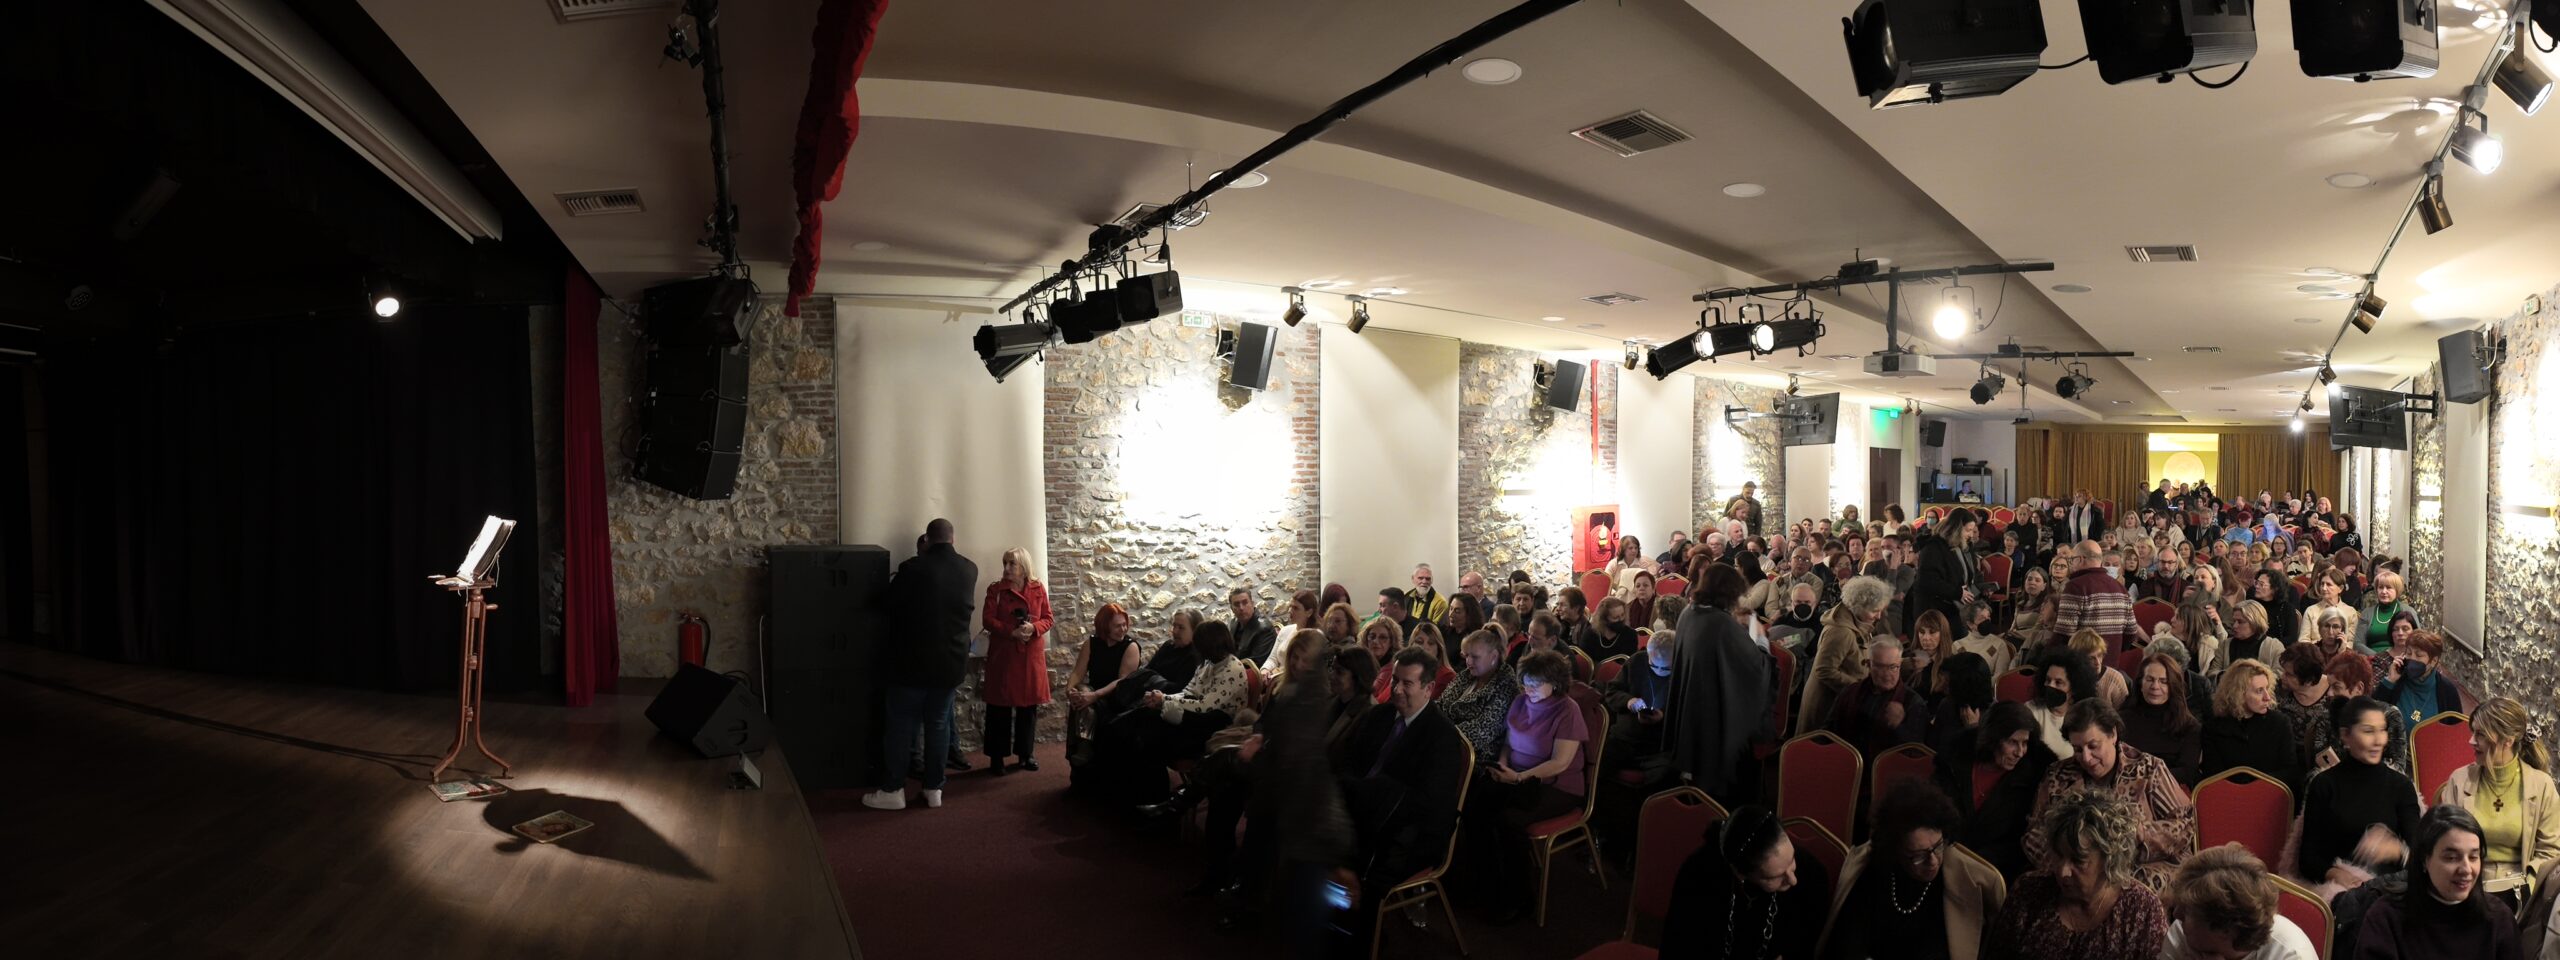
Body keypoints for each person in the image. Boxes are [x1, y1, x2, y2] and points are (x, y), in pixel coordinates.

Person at [1331, 647, 1469, 944]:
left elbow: (1427, 804)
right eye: (1395, 680)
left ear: (1429, 689)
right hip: (1366, 809)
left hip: (1408, 829)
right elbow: (1348, 761)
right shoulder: (1379, 715)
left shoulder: (1441, 737)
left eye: (1407, 683)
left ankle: (1356, 939)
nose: (1396, 689)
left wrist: (1367, 795)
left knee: (1362, 864)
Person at [1460, 650, 1590, 923]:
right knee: (1474, 803)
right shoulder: (1521, 701)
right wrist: (1502, 766)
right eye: (1526, 682)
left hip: (1557, 786)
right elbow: (1508, 743)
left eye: (1535, 684)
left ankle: (1518, 897)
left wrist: (1519, 778)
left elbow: (1560, 763)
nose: (1528, 689)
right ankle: (1481, 882)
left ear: (1555, 682)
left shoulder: (1568, 710)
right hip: (1515, 776)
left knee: (1508, 821)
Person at [1817, 780, 2008, 960]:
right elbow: (1847, 946)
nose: (1933, 861)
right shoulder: (1872, 873)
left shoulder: (1962, 881)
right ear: (1895, 851)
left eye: (1938, 846)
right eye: (1918, 855)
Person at [2023, 699, 2194, 892]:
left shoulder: (2149, 769)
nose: (2086, 758)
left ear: (2113, 734)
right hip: (2076, 872)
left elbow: (2186, 824)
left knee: (2130, 889)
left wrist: (2141, 835)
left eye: (2093, 746)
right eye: (2077, 749)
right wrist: (2069, 862)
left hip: (2142, 870)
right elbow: (2034, 834)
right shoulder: (2057, 775)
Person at [866, 518, 978, 811]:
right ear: (952, 539)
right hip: (950, 664)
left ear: (926, 540)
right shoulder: (969, 569)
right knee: (939, 725)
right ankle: (933, 788)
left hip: (911, 665)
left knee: (900, 727)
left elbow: (886, 604)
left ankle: (893, 790)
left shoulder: (913, 568)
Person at [1982, 791, 2168, 959]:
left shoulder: (2142, 911)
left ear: (2110, 860)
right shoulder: (2029, 891)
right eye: (2059, 855)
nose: (2063, 872)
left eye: (2078, 861)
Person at [2345, 805, 2524, 960]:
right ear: (2425, 859)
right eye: (2451, 857)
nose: (2466, 869)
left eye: (2473, 857)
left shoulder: (2498, 918)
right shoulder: (2386, 917)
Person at [2435, 696, 2560, 912]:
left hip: (2522, 896)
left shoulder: (2541, 785)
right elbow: (2443, 840)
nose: (2471, 741)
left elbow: (2550, 851)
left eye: (2481, 735)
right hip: (2466, 888)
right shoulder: (2459, 780)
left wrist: (2528, 888)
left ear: (2507, 740)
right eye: (2473, 732)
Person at [1660, 805, 1831, 959]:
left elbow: (1805, 949)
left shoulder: (1811, 876)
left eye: (1792, 860)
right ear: (1740, 873)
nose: (1793, 880)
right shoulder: (1699, 872)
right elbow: (1676, 947)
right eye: (1774, 877)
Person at [1668, 563, 1772, 804]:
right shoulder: (1722, 624)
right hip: (1718, 715)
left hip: (1694, 707)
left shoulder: (1688, 613)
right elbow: (1756, 667)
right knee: (1727, 787)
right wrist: (1759, 637)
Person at [2300, 696, 2423, 889]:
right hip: (2338, 891)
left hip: (2390, 891)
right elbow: (2307, 858)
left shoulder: (2401, 786)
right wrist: (2334, 873)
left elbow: (2421, 858)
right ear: (2345, 735)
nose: (2378, 740)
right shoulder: (2324, 784)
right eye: (2368, 731)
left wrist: (2398, 850)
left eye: (2382, 730)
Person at [1936, 700, 2058, 881]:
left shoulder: (2032, 778)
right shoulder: (1954, 761)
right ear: (1992, 740)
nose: (2020, 752)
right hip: (1942, 860)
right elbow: (1933, 812)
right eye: (2012, 742)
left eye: (2025, 743)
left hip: (1993, 873)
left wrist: (1974, 865)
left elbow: (2018, 842)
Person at [2162, 845, 2322, 960]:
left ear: (2226, 929)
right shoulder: (2182, 933)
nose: (2176, 914)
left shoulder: (2290, 954)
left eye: (2188, 911)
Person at [979, 548, 1055, 775]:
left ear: (1024, 566)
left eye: (1012, 563)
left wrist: (1034, 627)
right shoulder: (996, 589)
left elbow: (1048, 618)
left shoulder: (1038, 588)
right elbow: (987, 619)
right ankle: (997, 758)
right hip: (1004, 656)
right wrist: (1010, 632)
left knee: (1028, 707)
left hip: (1030, 657)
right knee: (998, 708)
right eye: (1005, 563)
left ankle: (1025, 754)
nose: (1007, 568)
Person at [1802, 575, 1892, 736]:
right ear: (1858, 606)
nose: (1878, 616)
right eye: (1874, 611)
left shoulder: (1858, 623)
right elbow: (1824, 670)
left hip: (1841, 702)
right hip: (1827, 707)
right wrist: (1860, 690)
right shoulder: (1841, 631)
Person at [2199, 660, 2301, 801]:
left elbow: (2290, 772)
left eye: (2267, 688)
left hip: (2270, 799)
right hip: (2228, 800)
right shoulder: (2213, 729)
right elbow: (2213, 777)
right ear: (2238, 694)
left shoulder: (2280, 723)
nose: (2267, 697)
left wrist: (2255, 789)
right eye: (2259, 691)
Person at [1060, 602, 1142, 765]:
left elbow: (1122, 681)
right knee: (1079, 694)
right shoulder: (1091, 643)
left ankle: (1084, 747)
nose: (1123, 629)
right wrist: (1069, 690)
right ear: (1105, 627)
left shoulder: (1131, 646)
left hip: (1117, 697)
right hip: (1093, 692)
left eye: (1124, 624)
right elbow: (1078, 672)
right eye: (1117, 626)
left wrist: (1095, 695)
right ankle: (1082, 748)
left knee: (1086, 701)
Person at [1829, 638, 1931, 762]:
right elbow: (1829, 733)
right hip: (1845, 764)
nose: (1887, 674)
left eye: (1893, 667)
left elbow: (1917, 754)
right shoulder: (1850, 692)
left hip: (1888, 770)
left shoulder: (1912, 702)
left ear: (1900, 665)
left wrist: (1898, 726)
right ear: (1868, 664)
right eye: (1880, 667)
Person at [1601, 629, 1677, 790]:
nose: (1659, 671)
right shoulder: (1637, 661)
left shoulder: (1684, 671)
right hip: (1625, 738)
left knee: (1668, 774)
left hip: (1658, 746)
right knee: (1599, 764)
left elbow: (1688, 716)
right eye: (1654, 665)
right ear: (1648, 654)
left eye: (1666, 669)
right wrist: (1629, 701)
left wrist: (1663, 716)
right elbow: (1611, 692)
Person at [2120, 652, 2203, 786]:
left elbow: (2187, 772)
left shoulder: (2189, 727)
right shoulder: (2121, 720)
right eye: (2150, 679)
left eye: (2163, 681)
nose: (2155, 686)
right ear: (2140, 683)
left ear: (2173, 686)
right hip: (2124, 788)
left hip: (2168, 790)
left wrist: (2146, 779)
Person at [1441, 628, 1522, 759]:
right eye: (1467, 655)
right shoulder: (1468, 675)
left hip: (1476, 757)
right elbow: (1442, 703)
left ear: (1494, 656)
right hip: (1446, 743)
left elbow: (1481, 732)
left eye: (1475, 657)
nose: (1468, 661)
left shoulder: (1505, 685)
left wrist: (1439, 732)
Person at [2054, 542, 2140, 659]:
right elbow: (2131, 633)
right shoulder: (2120, 588)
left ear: (2080, 559)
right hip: (2112, 664)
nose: (2071, 564)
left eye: (2072, 559)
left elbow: (2063, 635)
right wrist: (2111, 652)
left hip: (2081, 663)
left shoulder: (2075, 587)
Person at [1908, 513, 1978, 639]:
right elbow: (1929, 580)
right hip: (1932, 608)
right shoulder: (1933, 546)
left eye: (1973, 531)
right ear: (1956, 529)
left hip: (1950, 605)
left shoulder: (1956, 545)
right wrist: (1958, 592)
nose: (1971, 535)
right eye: (1968, 530)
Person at [2376, 627, 2462, 725]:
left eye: (2419, 655)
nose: (2412, 659)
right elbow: (2373, 712)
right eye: (2409, 653)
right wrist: (2390, 680)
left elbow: (2457, 729)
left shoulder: (2447, 689)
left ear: (2433, 661)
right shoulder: (2397, 680)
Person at [2027, 646, 2100, 760]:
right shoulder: (2031, 710)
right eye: (2048, 680)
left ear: (2074, 689)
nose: (2050, 686)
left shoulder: (2084, 716)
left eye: (2058, 682)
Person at [1258, 589, 1321, 676]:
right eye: (1290, 606)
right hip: (1276, 677)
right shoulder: (1285, 631)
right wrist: (1265, 669)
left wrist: (1279, 673)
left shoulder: (1316, 637)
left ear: (1309, 612)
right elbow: (1272, 658)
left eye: (1295, 608)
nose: (1290, 611)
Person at [2356, 570, 2416, 655]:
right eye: (2380, 587)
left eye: (2388, 588)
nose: (2384, 591)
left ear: (2397, 590)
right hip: (2372, 659)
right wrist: (2378, 658)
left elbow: (2417, 639)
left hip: (2401, 658)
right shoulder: (2367, 613)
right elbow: (2358, 643)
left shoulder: (2408, 611)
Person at [2296, 569, 2356, 648]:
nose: (2324, 588)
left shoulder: (2350, 612)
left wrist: (2339, 650)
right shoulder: (2311, 610)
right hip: (2314, 653)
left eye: (2329, 584)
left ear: (2340, 588)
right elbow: (2303, 640)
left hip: (2341, 653)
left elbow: (2351, 641)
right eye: (2322, 584)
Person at [1952, 600, 2014, 677]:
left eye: (1988, 616)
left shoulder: (1999, 644)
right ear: (1970, 624)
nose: (1987, 621)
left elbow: (2000, 676)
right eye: (1982, 618)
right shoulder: (1957, 646)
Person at [1574, 595, 1641, 665]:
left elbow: (1631, 664)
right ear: (1604, 619)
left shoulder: (1630, 635)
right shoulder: (1590, 634)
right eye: (1615, 618)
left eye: (1622, 615)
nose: (1621, 620)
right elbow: (1584, 663)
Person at [2248, 572, 2298, 658]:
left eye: (2261, 584)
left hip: (2278, 652)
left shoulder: (2287, 608)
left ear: (2275, 588)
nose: (2257, 586)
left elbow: (2291, 638)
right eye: (2256, 582)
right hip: (2251, 650)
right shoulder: (2252, 605)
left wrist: (2268, 645)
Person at [1226, 587, 1278, 667]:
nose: (1241, 608)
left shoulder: (1264, 629)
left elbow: (1256, 663)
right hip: (1233, 666)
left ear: (1252, 603)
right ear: (1232, 608)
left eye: (1245, 603)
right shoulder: (1233, 622)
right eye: (1236, 604)